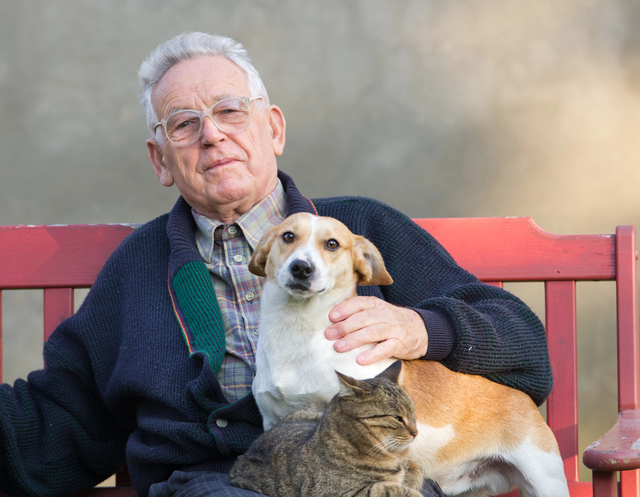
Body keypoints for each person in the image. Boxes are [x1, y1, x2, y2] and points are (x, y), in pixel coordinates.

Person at [0, 32, 552, 497]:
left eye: (230, 111)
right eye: (183, 124)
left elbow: (522, 344)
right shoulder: (137, 271)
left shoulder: (362, 229)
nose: (212, 135)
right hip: (220, 482)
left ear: (274, 129)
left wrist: (422, 328)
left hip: (372, 479)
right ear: (160, 160)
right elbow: (56, 419)